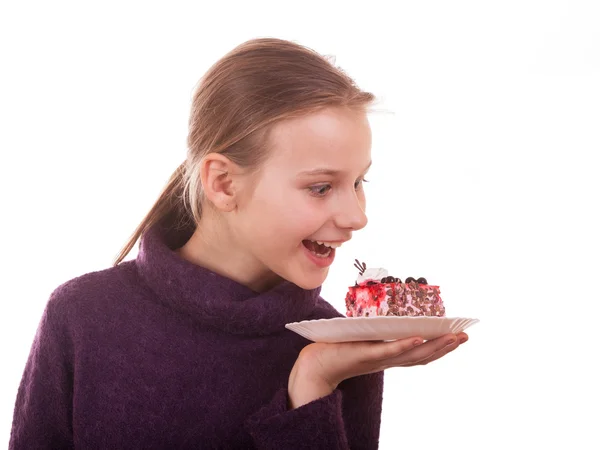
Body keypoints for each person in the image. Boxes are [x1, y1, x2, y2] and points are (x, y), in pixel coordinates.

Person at [9, 37, 468, 449]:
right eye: (321, 187)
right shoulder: (83, 315)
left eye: (359, 182)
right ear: (224, 183)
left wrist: (312, 386)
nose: (357, 217)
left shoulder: (341, 350)